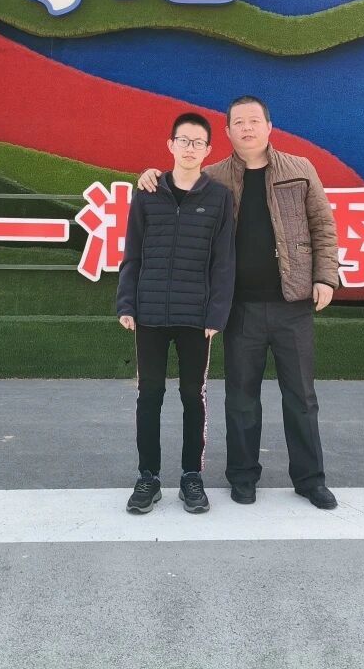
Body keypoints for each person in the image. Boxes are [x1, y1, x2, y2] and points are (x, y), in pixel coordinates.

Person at [139, 96, 340, 510]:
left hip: (292, 304)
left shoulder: (301, 169)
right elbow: (176, 184)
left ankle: (310, 479)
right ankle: (243, 477)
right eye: (238, 123)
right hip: (239, 308)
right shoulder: (213, 177)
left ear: (269, 126)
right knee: (241, 398)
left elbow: (323, 225)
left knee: (301, 396)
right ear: (227, 132)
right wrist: (150, 176)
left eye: (254, 121)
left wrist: (325, 276)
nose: (247, 128)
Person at [117, 112, 236, 514]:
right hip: (149, 313)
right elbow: (132, 252)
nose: (189, 148)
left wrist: (217, 314)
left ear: (208, 150)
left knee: (192, 396)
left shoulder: (219, 197)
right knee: (149, 394)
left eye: (197, 142)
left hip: (196, 318)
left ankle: (191, 477)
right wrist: (127, 302)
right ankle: (147, 478)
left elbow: (224, 261)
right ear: (170, 145)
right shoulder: (148, 193)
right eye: (183, 140)